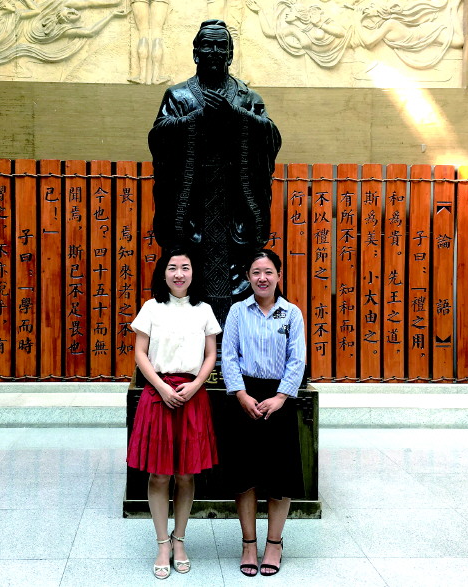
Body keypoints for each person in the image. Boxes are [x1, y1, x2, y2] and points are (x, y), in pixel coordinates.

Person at [148, 19, 281, 326]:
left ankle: (234, 335)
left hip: (235, 203)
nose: (214, 51)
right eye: (207, 45)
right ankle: (194, 337)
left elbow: (271, 137)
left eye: (222, 46)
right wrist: (197, 117)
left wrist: (235, 115)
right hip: (193, 203)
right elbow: (158, 138)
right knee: (190, 265)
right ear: (195, 52)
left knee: (239, 267)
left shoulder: (247, 98)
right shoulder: (178, 96)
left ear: (230, 54)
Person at [126, 247, 221, 579]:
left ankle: (180, 540)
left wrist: (196, 385)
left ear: (193, 272)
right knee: (158, 475)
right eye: (172, 267)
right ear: (163, 273)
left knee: (185, 474)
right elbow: (140, 353)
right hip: (158, 394)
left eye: (185, 267)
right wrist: (162, 388)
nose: (179, 274)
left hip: (192, 395)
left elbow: (211, 354)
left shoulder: (204, 310)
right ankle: (162, 543)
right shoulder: (151, 308)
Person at [221, 249, 306, 577]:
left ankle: (274, 543)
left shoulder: (291, 314)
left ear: (279, 276)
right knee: (244, 477)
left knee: (279, 477)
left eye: (269, 272)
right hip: (244, 397)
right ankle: (248, 544)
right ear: (248, 277)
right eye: (256, 272)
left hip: (279, 400)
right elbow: (228, 355)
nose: (262, 278)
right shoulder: (237, 311)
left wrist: (281, 396)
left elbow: (297, 359)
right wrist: (241, 394)